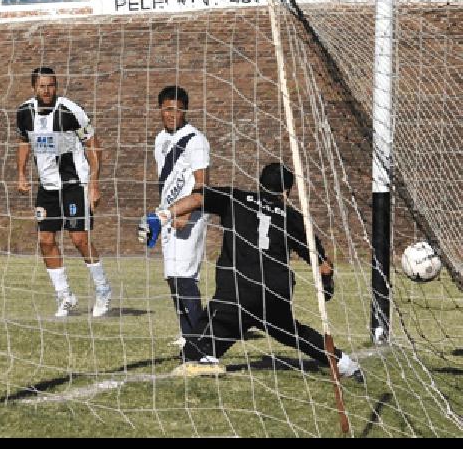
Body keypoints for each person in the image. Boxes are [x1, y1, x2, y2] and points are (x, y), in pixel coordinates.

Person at [140, 162, 362, 379]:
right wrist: (327, 285)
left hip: (238, 291)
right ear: (286, 191)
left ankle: (204, 355)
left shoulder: (235, 198)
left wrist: (163, 215)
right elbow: (323, 265)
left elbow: (198, 198)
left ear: (259, 183)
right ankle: (346, 364)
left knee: (193, 352)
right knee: (294, 333)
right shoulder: (292, 217)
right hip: (275, 292)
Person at [16, 66, 112, 318]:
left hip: (74, 185)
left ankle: (103, 290)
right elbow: (24, 141)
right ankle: (65, 296)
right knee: (45, 240)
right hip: (47, 187)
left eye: (51, 85)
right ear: (34, 87)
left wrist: (94, 183)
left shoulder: (70, 110)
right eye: (42, 86)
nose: (47, 90)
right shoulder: (25, 112)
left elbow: (93, 143)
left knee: (79, 239)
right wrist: (21, 172)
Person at [144, 86, 210, 354]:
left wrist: (188, 212)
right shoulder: (160, 139)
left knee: (185, 277)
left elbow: (203, 183)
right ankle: (188, 334)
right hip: (168, 215)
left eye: (178, 109)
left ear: (185, 111)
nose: (172, 114)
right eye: (168, 108)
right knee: (172, 278)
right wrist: (160, 214)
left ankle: (201, 340)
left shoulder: (195, 140)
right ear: (160, 109)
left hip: (189, 215)